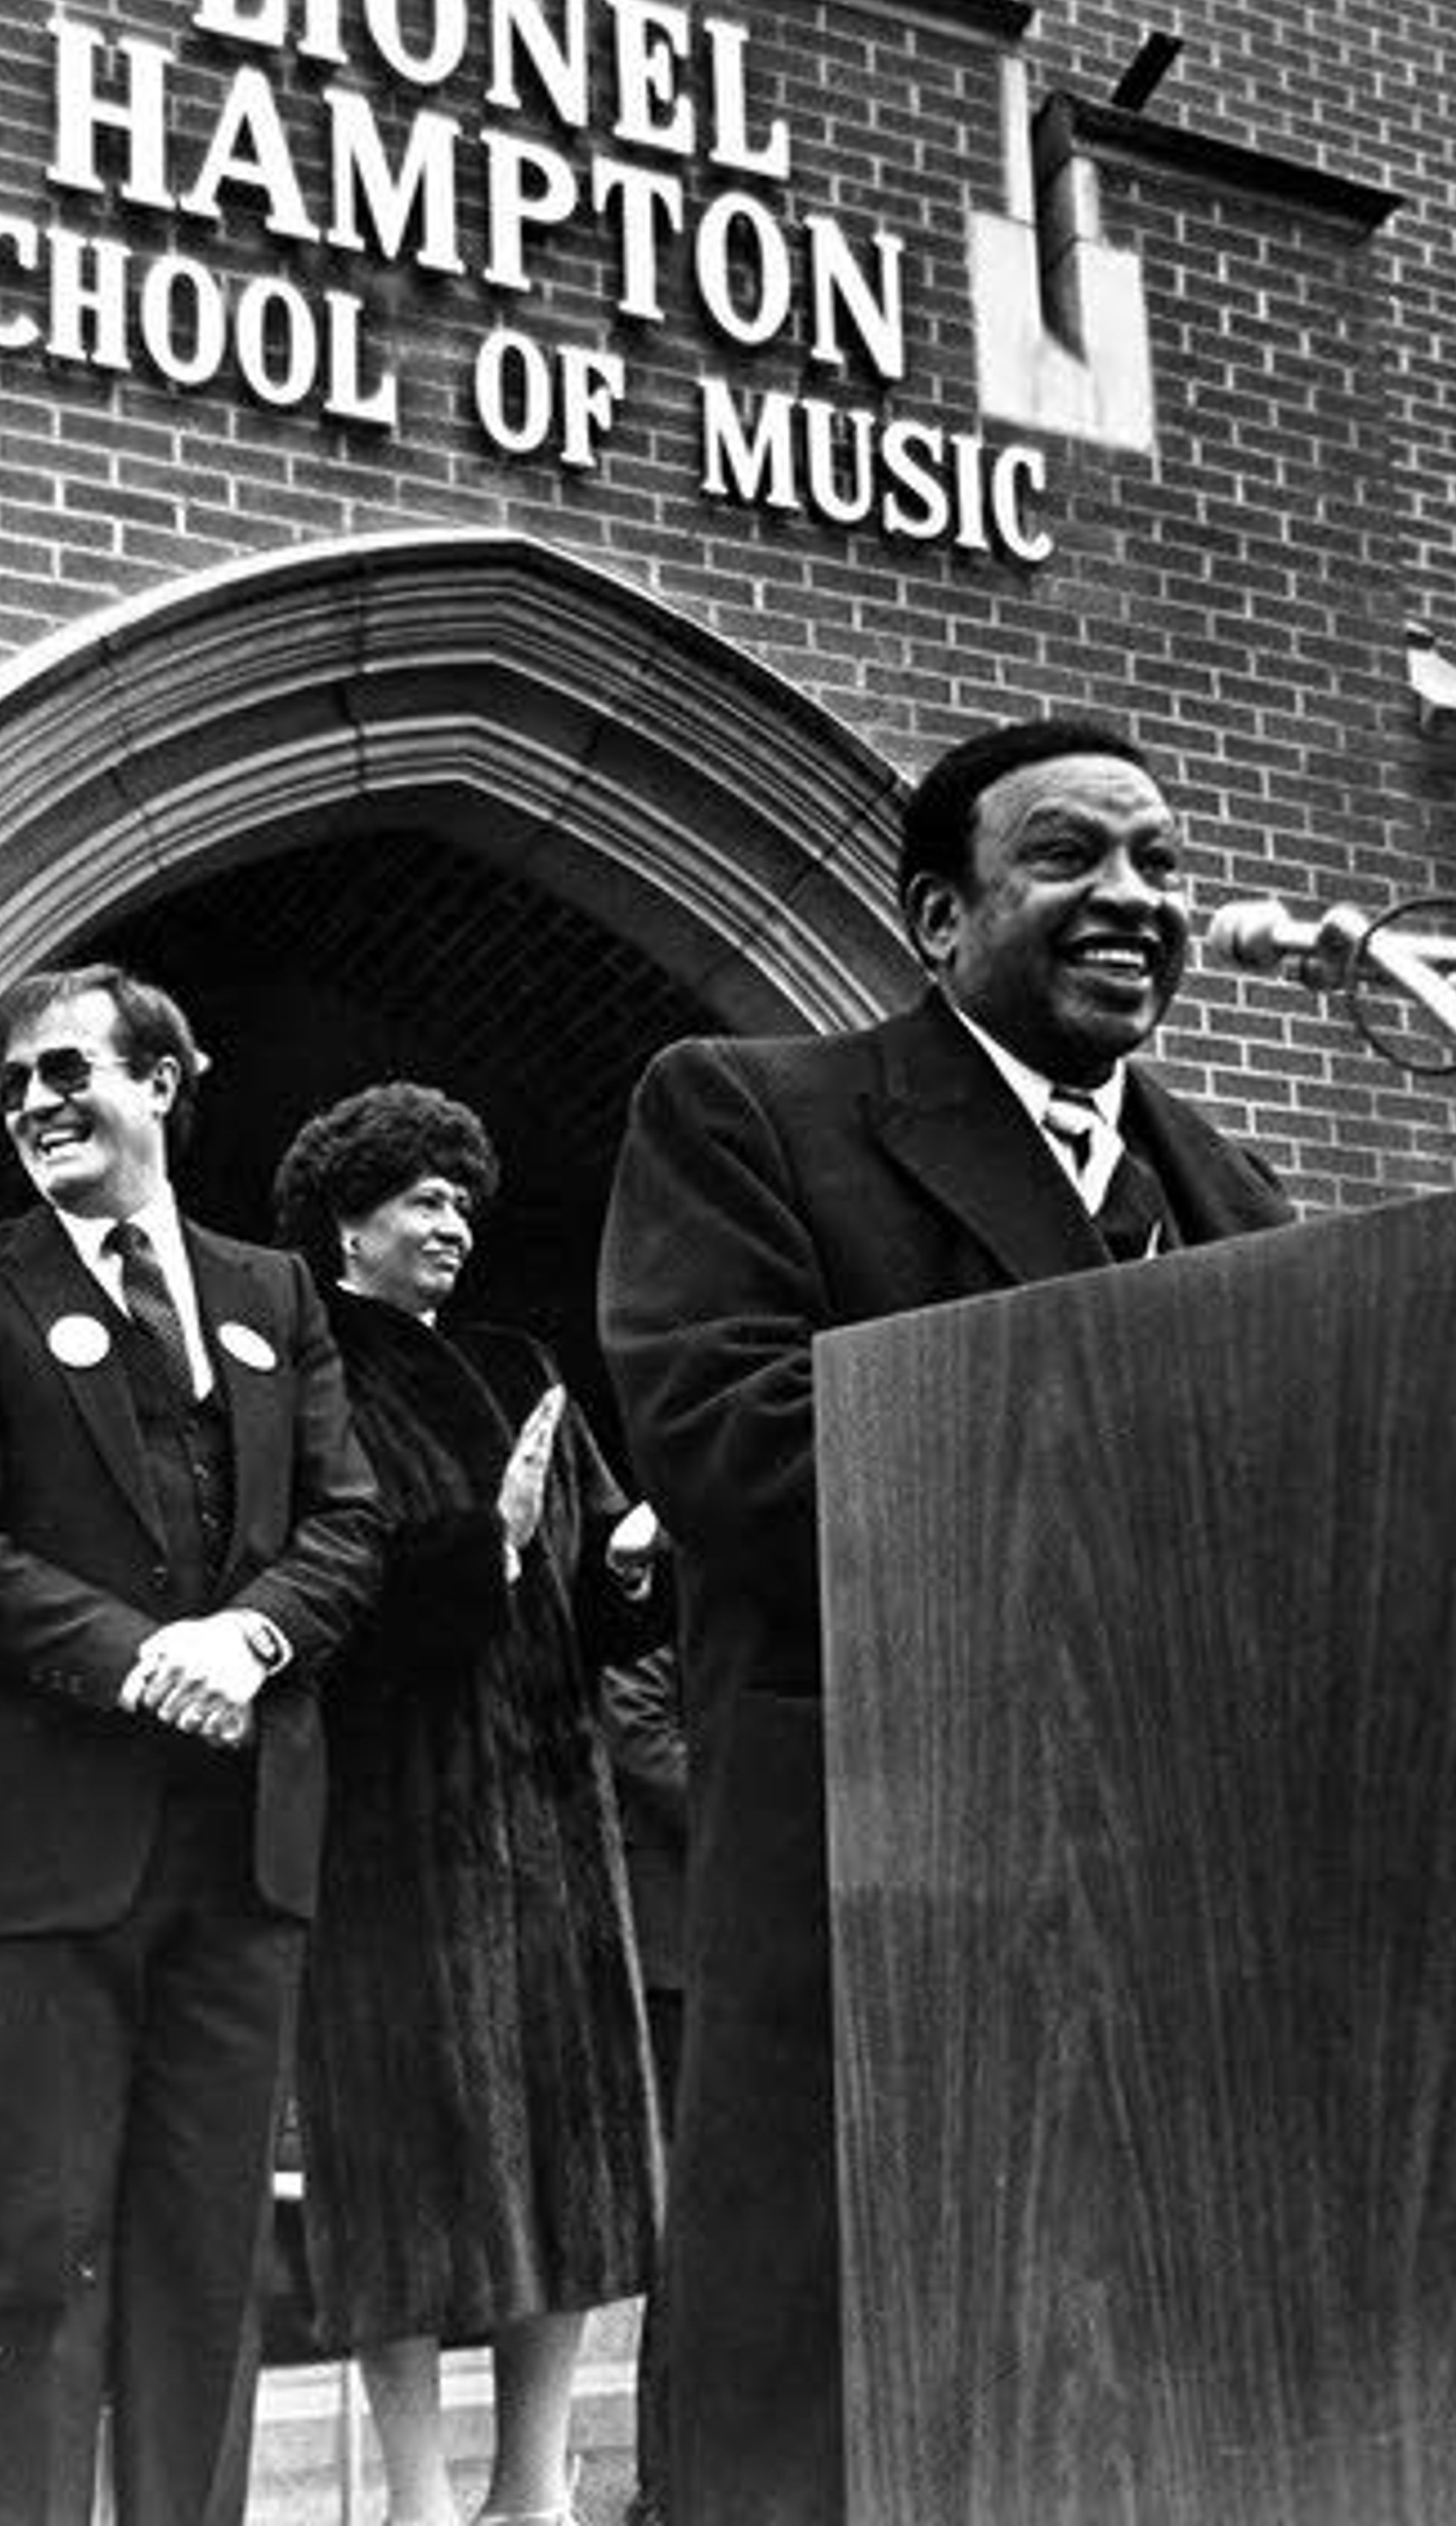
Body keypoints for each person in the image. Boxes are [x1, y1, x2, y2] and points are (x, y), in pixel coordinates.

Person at [598, 716, 1297, 2526]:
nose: (1133, 896)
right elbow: (735, 1445)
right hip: (873, 1887)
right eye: (1071, 858)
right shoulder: (752, 1110)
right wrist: (1142, 1431)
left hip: (1168, 1898)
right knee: (826, 2425)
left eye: (1159, 860)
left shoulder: (1237, 1198)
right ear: (936, 915)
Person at [0, 962, 383, 2526]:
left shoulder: (274, 1292)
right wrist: (151, 1658)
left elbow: (349, 1519)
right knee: (39, 2252)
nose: (34, 1103)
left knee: (208, 2262)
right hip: (45, 1842)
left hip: (247, 1839)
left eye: (70, 1071)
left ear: (162, 1080)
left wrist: (254, 1635)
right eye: (13, 1084)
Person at [271, 1081, 664, 2526]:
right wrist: (474, 1552)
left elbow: (607, 1616)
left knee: (566, 2152)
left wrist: (626, 1562)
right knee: (414, 2150)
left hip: (553, 1813)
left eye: (461, 1201)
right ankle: (422, 2502)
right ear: (349, 1224)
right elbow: (326, 1588)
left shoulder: (523, 1361)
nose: (452, 1223)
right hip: (399, 1820)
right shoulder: (313, 1372)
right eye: (421, 1200)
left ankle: (533, 2486)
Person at [598, 1636, 688, 2526]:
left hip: (728, 1933)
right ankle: (669, 2481)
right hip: (687, 1940)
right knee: (691, 2226)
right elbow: (636, 1720)